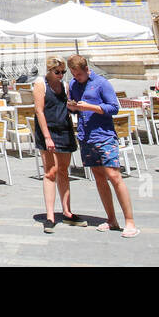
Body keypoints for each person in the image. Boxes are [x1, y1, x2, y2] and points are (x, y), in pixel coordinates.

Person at [66, 55, 138, 238]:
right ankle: (111, 219)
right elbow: (74, 106)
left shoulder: (101, 83)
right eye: (74, 74)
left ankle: (129, 221)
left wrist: (90, 107)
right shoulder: (73, 85)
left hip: (104, 135)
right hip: (85, 136)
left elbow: (114, 108)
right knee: (98, 178)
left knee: (114, 176)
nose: (77, 78)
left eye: (79, 74)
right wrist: (72, 106)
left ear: (87, 69)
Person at [31, 57, 86, 232]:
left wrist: (73, 106)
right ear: (49, 71)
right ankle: (50, 216)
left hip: (64, 129)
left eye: (63, 72)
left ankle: (67, 211)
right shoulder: (41, 84)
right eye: (57, 72)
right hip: (48, 131)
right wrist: (47, 137)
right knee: (50, 172)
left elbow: (63, 105)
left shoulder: (65, 85)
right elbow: (39, 110)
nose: (61, 75)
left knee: (63, 170)